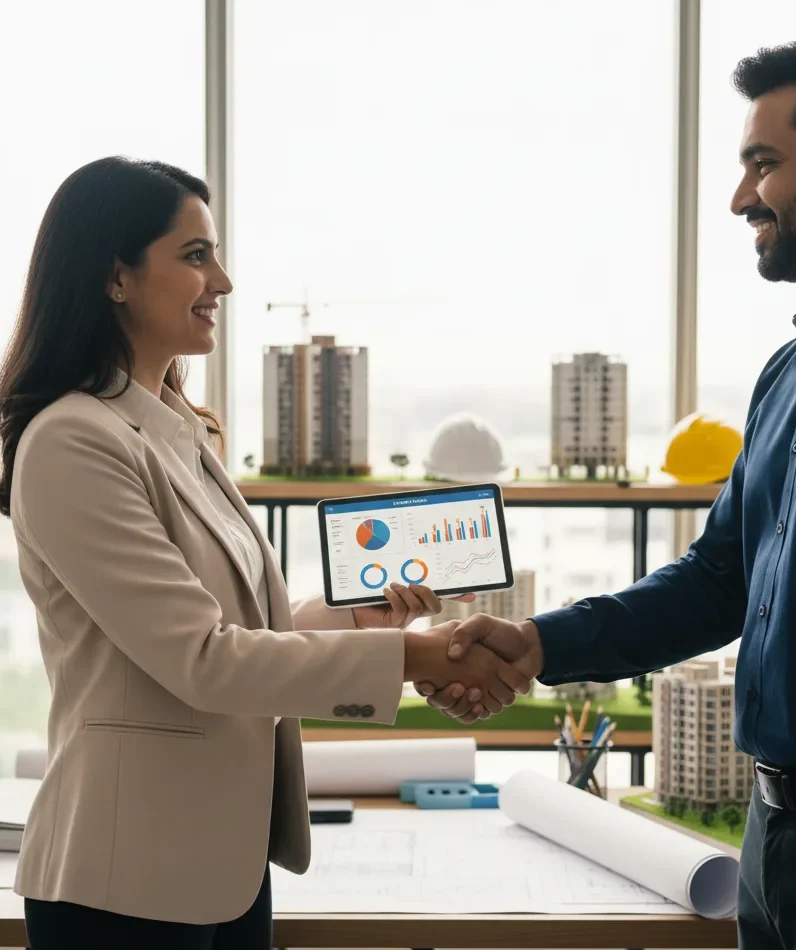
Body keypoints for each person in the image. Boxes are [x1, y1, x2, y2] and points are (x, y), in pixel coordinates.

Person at [416, 29, 796, 950]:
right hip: (776, 840)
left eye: (765, 164)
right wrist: (539, 642)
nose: (742, 197)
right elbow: (717, 580)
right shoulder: (794, 369)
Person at [0, 156, 530, 950]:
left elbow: (252, 625)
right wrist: (418, 658)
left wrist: (357, 619)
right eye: (194, 256)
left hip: (224, 864)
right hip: (124, 882)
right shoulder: (74, 441)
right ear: (115, 276)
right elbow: (206, 662)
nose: (224, 280)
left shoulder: (181, 430)